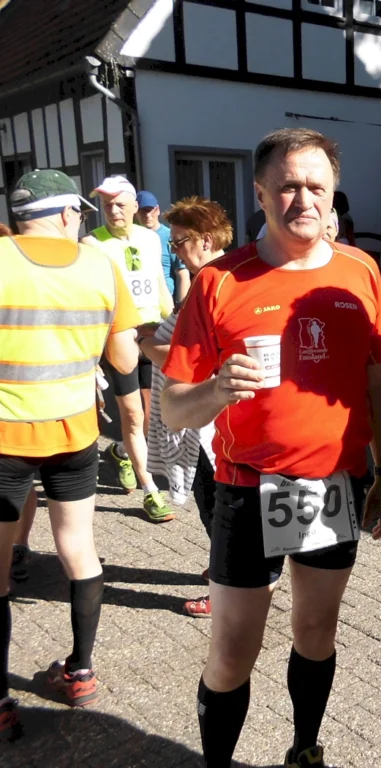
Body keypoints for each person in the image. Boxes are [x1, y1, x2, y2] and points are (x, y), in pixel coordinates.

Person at [161, 128, 381, 768]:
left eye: (316, 186)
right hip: (245, 485)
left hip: (333, 485)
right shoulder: (219, 282)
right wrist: (214, 390)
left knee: (317, 631)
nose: (303, 199)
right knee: (235, 648)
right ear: (261, 193)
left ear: (333, 194)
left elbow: (379, 379)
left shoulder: (360, 271)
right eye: (288, 185)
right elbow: (172, 406)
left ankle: (304, 747)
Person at [0, 170, 142, 738]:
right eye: (80, 213)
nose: (83, 221)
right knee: (79, 550)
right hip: (76, 433)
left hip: (5, 439)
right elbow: (127, 362)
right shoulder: (99, 265)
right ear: (64, 214)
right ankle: (80, 672)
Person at [140, 197, 233, 619]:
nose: (174, 250)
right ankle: (226, 569)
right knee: (214, 501)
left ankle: (226, 588)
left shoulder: (215, 283)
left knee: (216, 504)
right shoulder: (211, 278)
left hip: (209, 418)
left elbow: (189, 360)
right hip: (206, 412)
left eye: (178, 242)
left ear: (206, 240)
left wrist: (145, 342)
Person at [82, 176, 174, 523]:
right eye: (107, 204)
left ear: (136, 206)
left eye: (120, 203)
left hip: (152, 332)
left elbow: (159, 288)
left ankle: (121, 451)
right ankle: (151, 491)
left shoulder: (152, 239)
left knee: (153, 418)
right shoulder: (91, 242)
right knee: (133, 416)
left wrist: (174, 326)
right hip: (118, 338)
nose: (113, 210)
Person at [137, 189, 190, 304]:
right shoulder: (132, 237)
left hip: (165, 303)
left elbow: (182, 272)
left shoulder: (169, 236)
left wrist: (181, 306)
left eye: (150, 210)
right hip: (141, 303)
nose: (147, 215)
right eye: (142, 211)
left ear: (157, 210)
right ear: (136, 213)